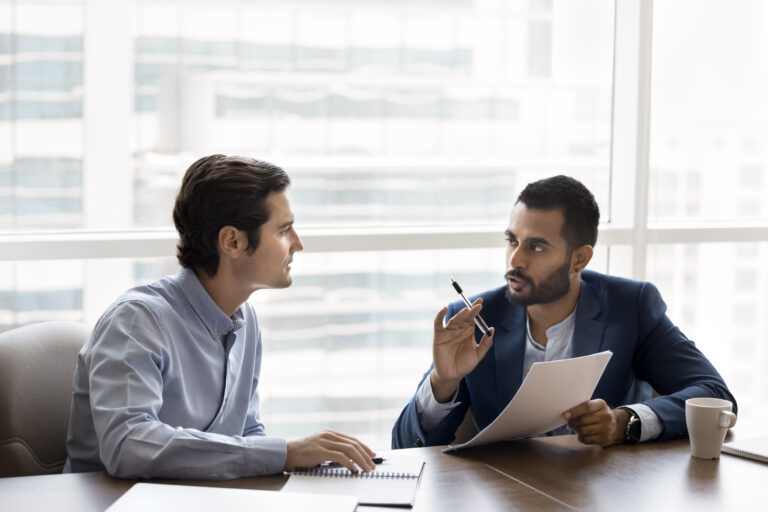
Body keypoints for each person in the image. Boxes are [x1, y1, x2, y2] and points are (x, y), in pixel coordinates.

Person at [64, 155, 376, 479]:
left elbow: (247, 433)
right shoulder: (136, 322)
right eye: (283, 231)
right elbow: (128, 446)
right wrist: (284, 453)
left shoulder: (246, 321)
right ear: (233, 241)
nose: (297, 243)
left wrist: (307, 470)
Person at [392, 175, 736, 449]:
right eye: (512, 240)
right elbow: (406, 446)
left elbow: (714, 395)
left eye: (536, 246)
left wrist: (624, 423)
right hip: (504, 496)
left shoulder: (630, 307)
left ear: (579, 258)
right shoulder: (476, 318)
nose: (515, 259)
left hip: (602, 492)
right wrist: (443, 382)